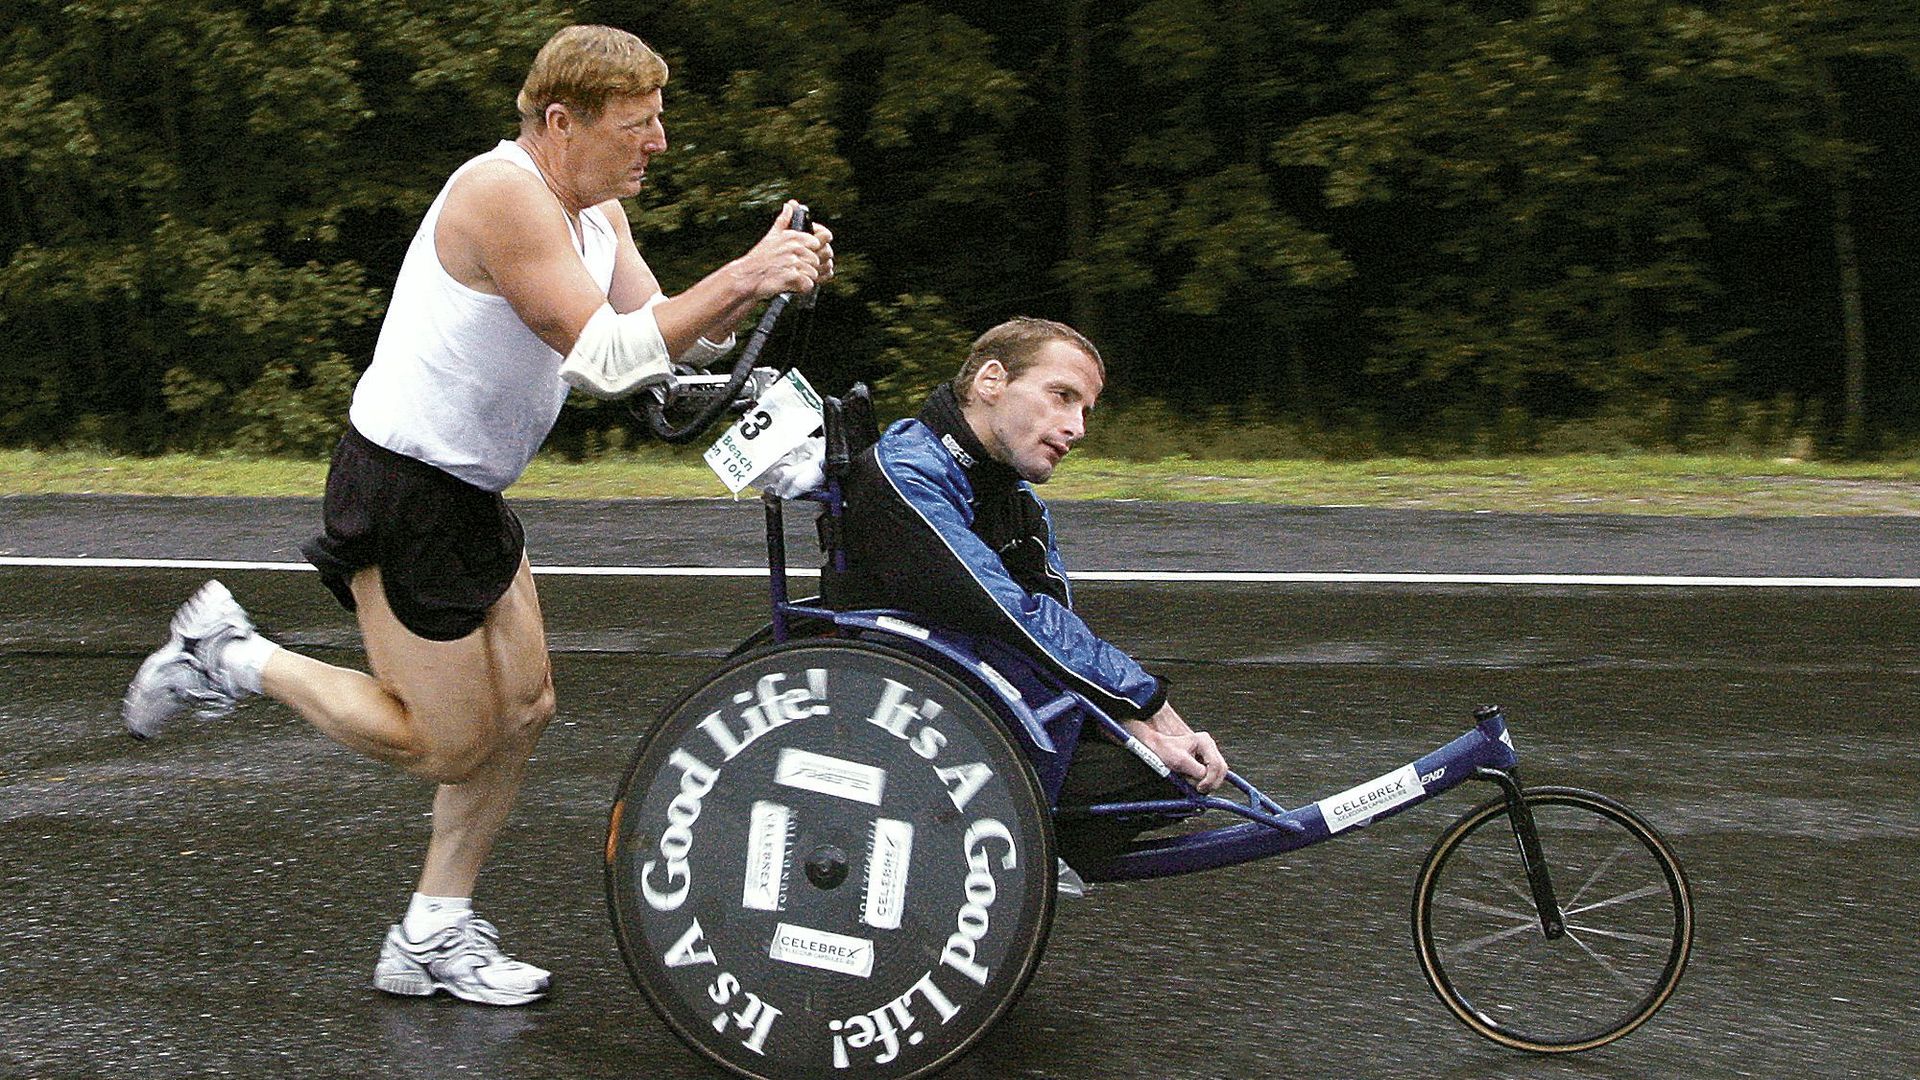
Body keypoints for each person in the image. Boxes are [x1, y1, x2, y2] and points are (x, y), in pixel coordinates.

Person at [120, 24, 833, 1007]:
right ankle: (230, 657)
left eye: (658, 120)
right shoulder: (502, 196)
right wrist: (747, 274)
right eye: (637, 125)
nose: (657, 144)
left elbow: (658, 336)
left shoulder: (594, 210)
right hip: (404, 489)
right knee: (449, 742)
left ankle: (430, 934)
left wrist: (763, 288)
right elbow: (608, 359)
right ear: (559, 122)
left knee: (527, 710)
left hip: (469, 492)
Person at [821, 317, 1228, 863]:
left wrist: (1154, 725)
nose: (1077, 427)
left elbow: (1058, 627)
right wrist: (1146, 705)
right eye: (1061, 397)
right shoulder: (904, 471)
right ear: (992, 382)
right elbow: (1010, 617)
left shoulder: (1012, 495)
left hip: (969, 708)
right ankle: (989, 866)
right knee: (1148, 780)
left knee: (1169, 774)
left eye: (1085, 409)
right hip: (882, 727)